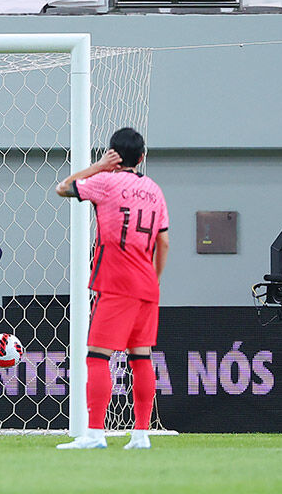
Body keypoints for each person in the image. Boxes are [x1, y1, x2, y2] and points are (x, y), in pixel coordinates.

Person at [54, 127, 169, 451]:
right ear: (142, 157)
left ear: (113, 157)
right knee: (141, 358)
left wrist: (97, 167)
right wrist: (155, 278)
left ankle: (94, 433)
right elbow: (164, 241)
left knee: (97, 357)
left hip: (117, 284)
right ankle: (141, 434)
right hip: (147, 284)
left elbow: (62, 188)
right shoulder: (154, 191)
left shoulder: (106, 181)